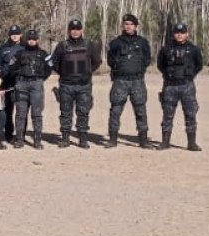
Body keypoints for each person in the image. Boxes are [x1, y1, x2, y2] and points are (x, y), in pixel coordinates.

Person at [51, 18, 103, 148]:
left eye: (77, 29)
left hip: (83, 85)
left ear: (81, 30)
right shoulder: (62, 46)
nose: (75, 32)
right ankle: (65, 138)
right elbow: (54, 62)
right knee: (65, 112)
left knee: (83, 112)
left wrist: (87, 72)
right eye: (72, 29)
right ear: (69, 31)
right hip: (66, 84)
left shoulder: (89, 45)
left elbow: (97, 61)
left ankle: (83, 139)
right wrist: (64, 72)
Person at [106, 13, 154, 148]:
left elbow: (147, 60)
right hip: (120, 81)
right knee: (115, 110)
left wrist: (137, 70)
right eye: (126, 24)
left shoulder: (143, 42)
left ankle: (143, 140)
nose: (128, 27)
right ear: (122, 25)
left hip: (137, 81)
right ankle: (112, 139)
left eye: (131, 24)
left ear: (136, 26)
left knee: (141, 110)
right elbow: (110, 60)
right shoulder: (115, 43)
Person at [157, 23, 204, 151]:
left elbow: (199, 65)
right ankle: (165, 142)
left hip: (187, 86)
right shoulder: (166, 49)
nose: (179, 35)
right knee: (167, 115)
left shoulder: (194, 49)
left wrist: (190, 75)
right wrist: (169, 75)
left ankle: (192, 143)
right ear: (173, 34)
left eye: (182, 32)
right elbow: (160, 65)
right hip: (170, 86)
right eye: (177, 33)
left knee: (190, 114)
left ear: (187, 34)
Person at [10, 30, 51, 149]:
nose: (32, 41)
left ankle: (37, 141)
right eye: (29, 39)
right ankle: (19, 140)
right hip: (21, 84)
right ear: (26, 40)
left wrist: (41, 79)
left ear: (37, 40)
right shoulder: (19, 53)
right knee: (20, 114)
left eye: (34, 39)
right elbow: (11, 67)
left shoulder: (43, 54)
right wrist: (18, 76)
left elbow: (50, 67)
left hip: (36, 84)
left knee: (37, 114)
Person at [0, 25, 25, 141]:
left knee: (21, 111)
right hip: (6, 83)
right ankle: (8, 134)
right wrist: (2, 74)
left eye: (17, 33)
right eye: (12, 33)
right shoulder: (3, 48)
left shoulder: (25, 47)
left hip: (21, 84)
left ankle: (20, 135)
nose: (14, 36)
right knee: (7, 110)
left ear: (20, 34)